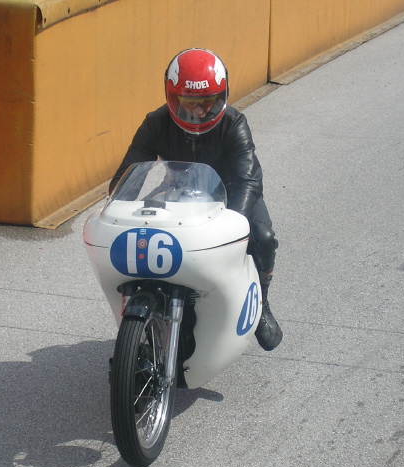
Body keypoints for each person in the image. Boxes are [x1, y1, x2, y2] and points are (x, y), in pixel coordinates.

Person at [108, 48, 283, 351]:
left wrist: (234, 221)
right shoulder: (155, 122)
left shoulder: (234, 124)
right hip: (177, 188)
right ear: (174, 99)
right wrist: (117, 203)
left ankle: (262, 304)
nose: (200, 112)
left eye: (209, 102)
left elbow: (249, 179)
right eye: (191, 103)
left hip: (230, 194)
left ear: (222, 96)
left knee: (265, 238)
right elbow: (127, 174)